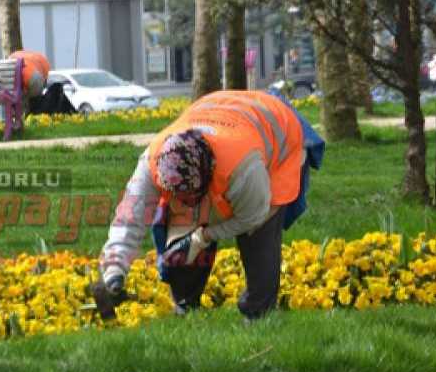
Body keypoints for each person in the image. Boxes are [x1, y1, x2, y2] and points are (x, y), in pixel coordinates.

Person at [93, 90, 325, 319]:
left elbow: (252, 216)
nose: (185, 204)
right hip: (219, 111)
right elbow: (128, 220)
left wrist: (205, 236)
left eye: (191, 197)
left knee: (258, 236)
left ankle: (259, 312)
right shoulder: (151, 163)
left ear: (209, 173)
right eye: (178, 197)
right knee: (180, 237)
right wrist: (115, 268)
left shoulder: (243, 168)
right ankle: (186, 306)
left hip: (278, 134)